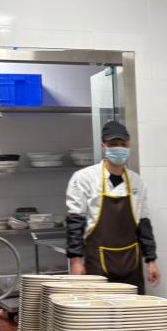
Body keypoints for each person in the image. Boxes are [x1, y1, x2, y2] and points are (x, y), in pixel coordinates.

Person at [65, 119, 159, 292]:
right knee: (99, 308)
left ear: (129, 146)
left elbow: (143, 225)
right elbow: (75, 223)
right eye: (113, 144)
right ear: (103, 146)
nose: (119, 148)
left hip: (131, 264)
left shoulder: (137, 181)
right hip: (97, 264)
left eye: (123, 144)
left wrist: (151, 261)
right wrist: (75, 261)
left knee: (134, 308)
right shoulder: (84, 178)